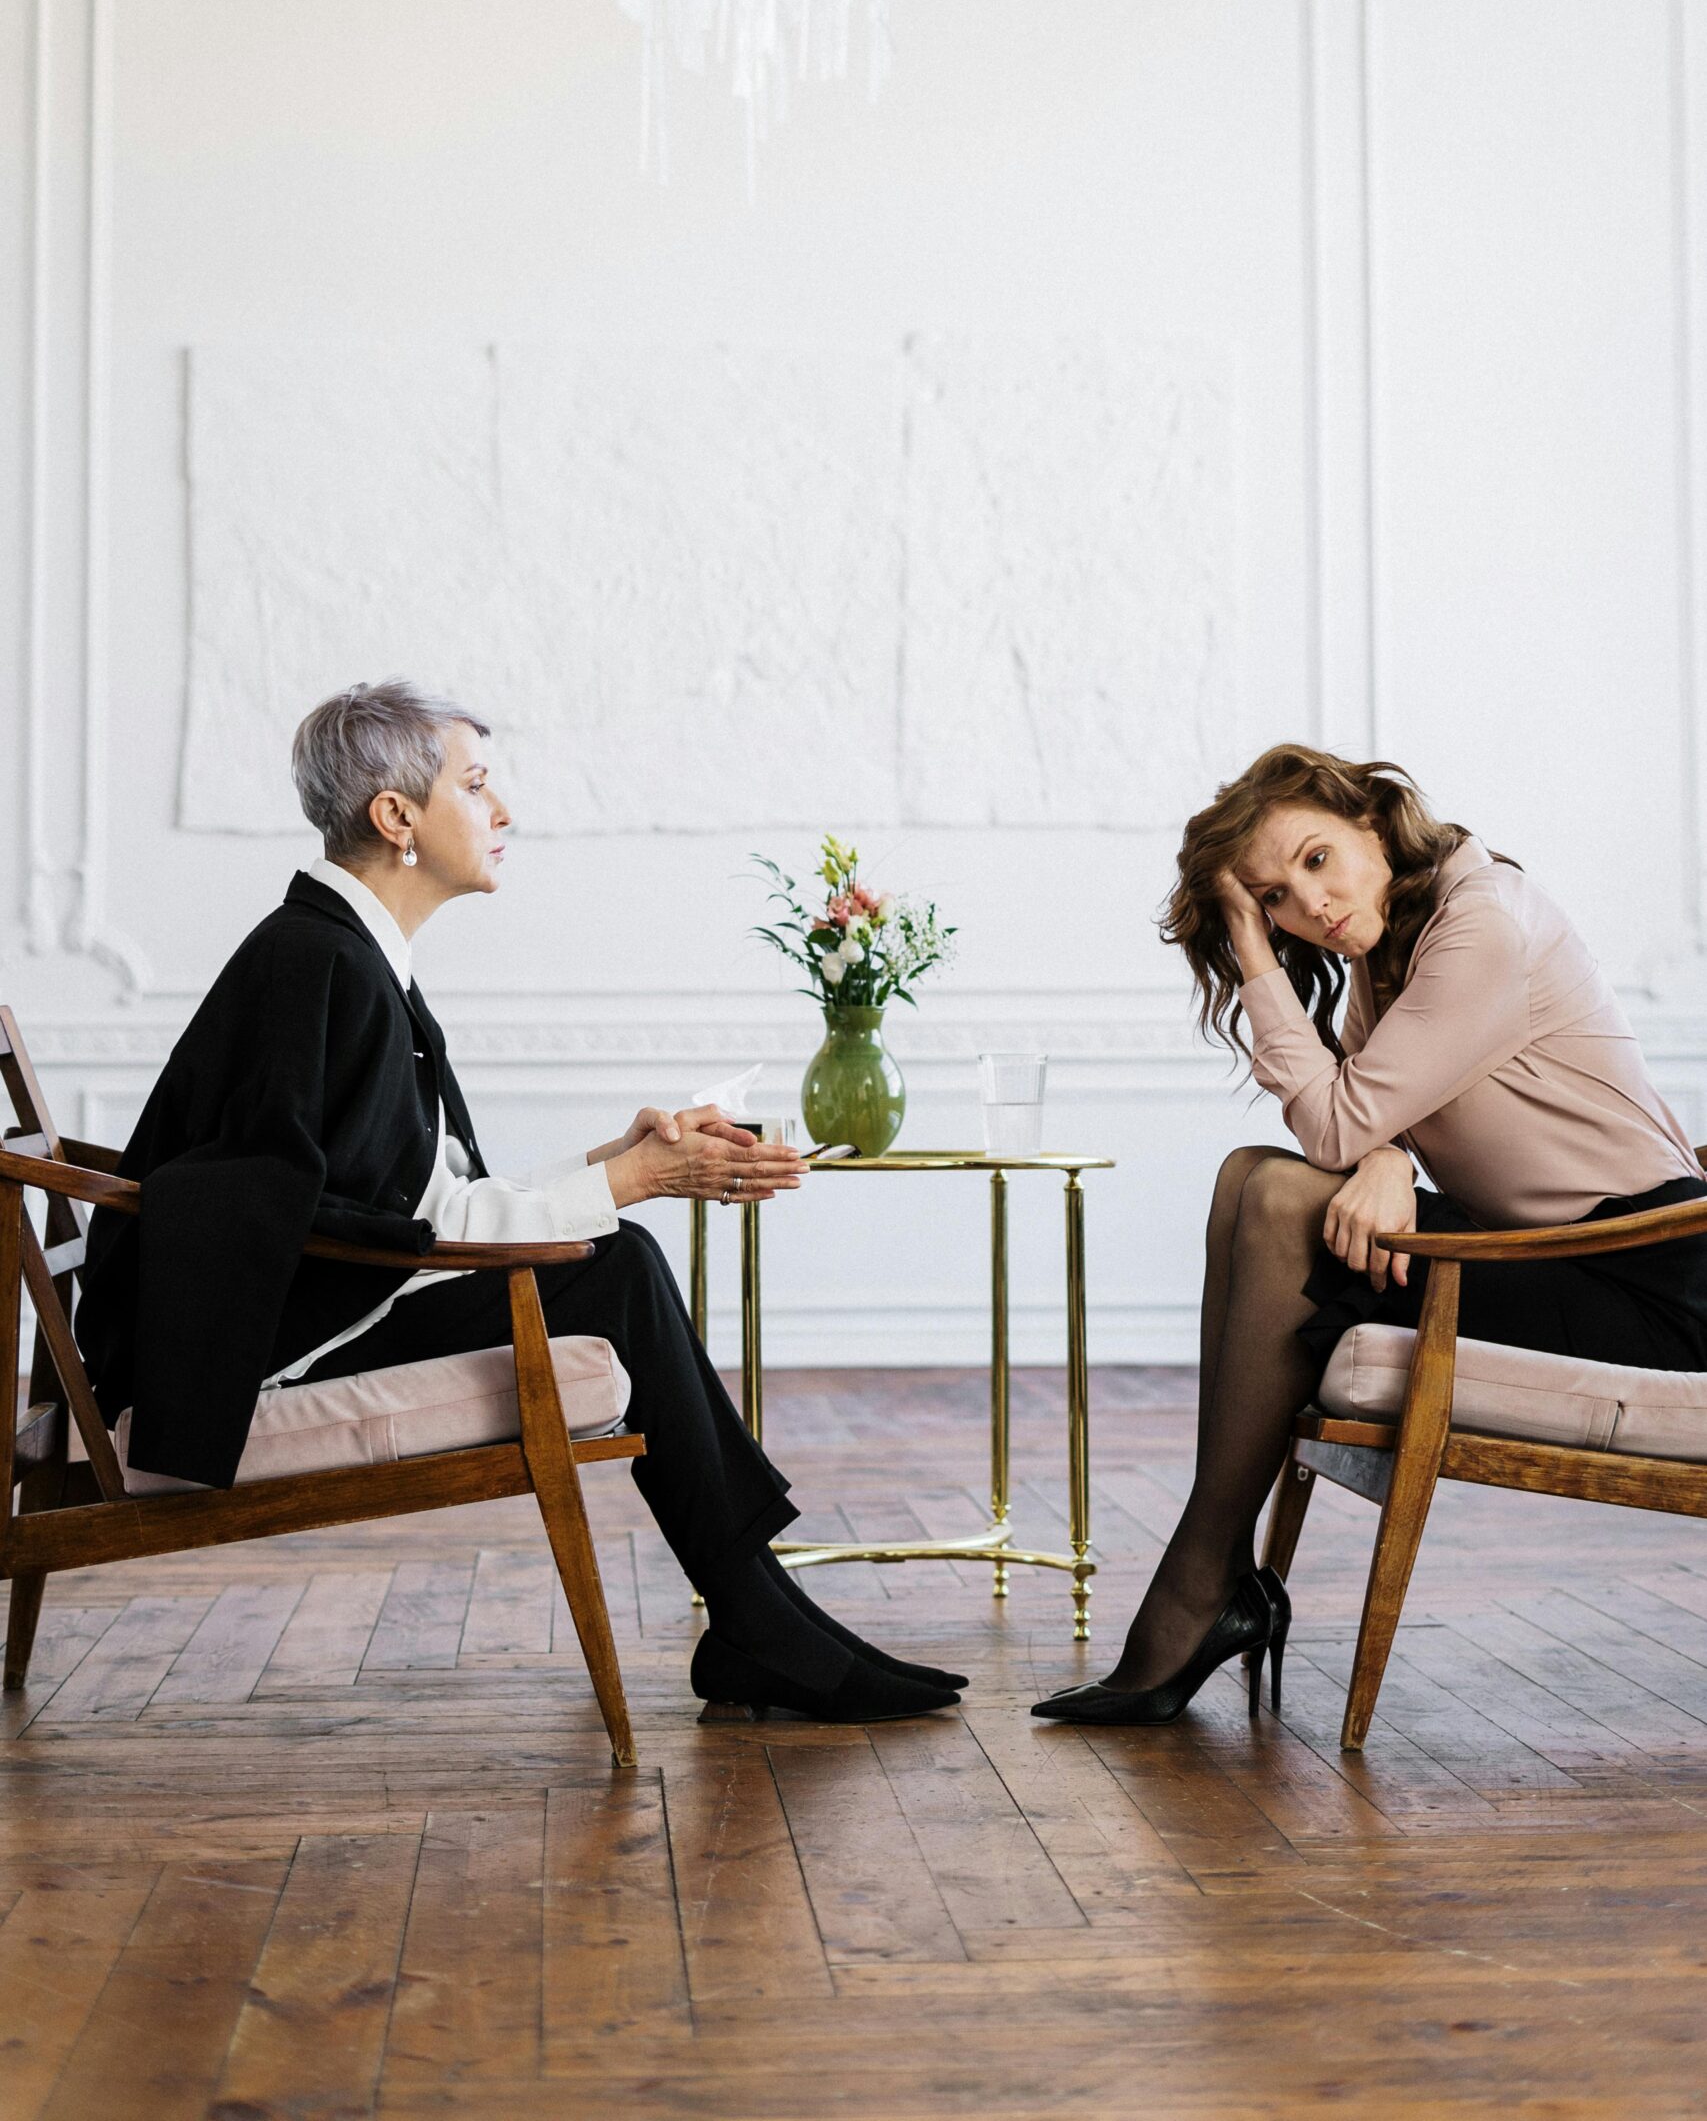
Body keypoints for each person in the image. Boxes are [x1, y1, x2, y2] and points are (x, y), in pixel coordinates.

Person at [76, 679, 962, 1724]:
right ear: (396, 817)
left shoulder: (344, 955)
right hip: (252, 1356)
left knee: (616, 1252)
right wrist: (626, 1185)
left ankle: (758, 1614)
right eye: (477, 784)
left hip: (301, 1311)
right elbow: (385, 1239)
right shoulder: (324, 964)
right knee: (620, 1257)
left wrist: (616, 1160)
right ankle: (758, 1618)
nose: (503, 812)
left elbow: (420, 1204)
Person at [1033, 743, 1707, 1728]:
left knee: (1277, 1200)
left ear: (1374, 817)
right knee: (1249, 1178)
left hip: (1647, 1283)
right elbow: (1372, 1124)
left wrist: (1255, 960)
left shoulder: (1483, 923)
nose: (1306, 904)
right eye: (1268, 898)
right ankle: (1209, 1575)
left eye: (1315, 859)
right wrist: (1388, 1159)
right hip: (1552, 1256)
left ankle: (1201, 1582)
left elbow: (1341, 1120)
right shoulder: (1391, 958)